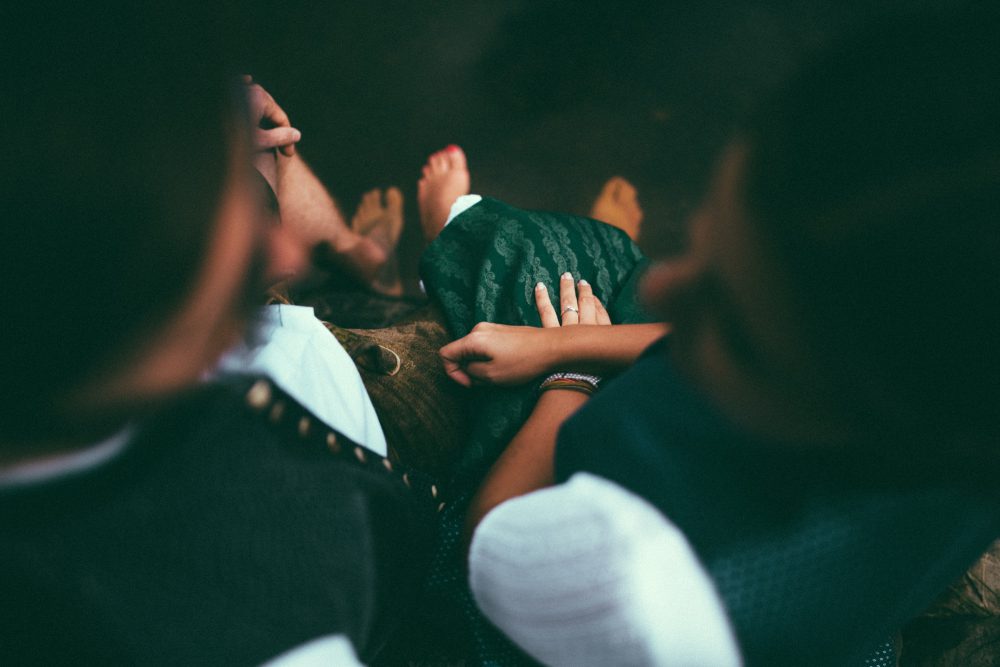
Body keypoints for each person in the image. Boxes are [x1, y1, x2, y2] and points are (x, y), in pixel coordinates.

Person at [432, 8, 1000, 667]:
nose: (665, 289)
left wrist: (569, 380)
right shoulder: (955, 399)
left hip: (544, 601)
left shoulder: (642, 578)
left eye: (733, 321)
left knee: (517, 250)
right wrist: (561, 344)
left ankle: (421, 240)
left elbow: (490, 544)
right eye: (704, 238)